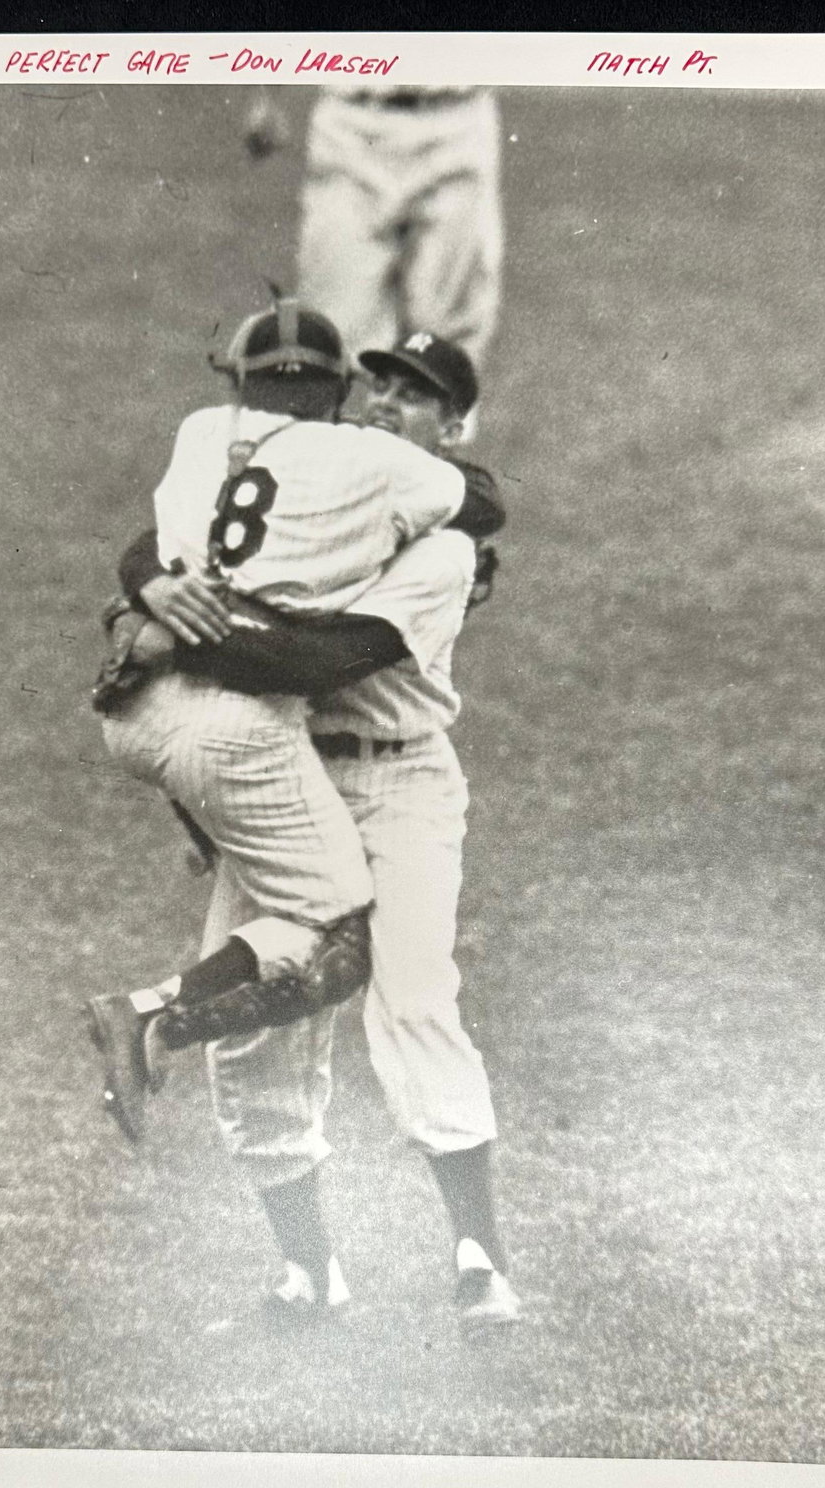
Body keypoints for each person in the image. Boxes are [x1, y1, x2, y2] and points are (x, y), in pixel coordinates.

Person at [118, 333, 520, 1327]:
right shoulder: (310, 488)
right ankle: (308, 1276)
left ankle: (482, 1262)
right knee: (254, 1037)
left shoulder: (443, 544)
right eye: (378, 381)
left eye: (418, 395)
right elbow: (160, 535)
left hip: (398, 783)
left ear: (454, 429)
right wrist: (154, 585)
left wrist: (187, 632)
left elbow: (325, 660)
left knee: (413, 998)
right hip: (281, 776)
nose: (386, 401)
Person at [244, 88, 503, 373]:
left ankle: (445, 416)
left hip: (457, 120)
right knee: (333, 333)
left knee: (449, 344)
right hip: (350, 125)